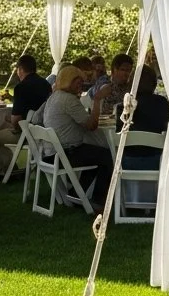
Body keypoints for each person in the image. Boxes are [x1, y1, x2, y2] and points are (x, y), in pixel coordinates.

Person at [40, 65, 115, 207]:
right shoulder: (69, 100)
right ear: (68, 81)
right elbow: (91, 126)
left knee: (95, 154)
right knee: (107, 156)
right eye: (78, 82)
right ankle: (99, 200)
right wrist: (97, 99)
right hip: (63, 153)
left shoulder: (55, 96)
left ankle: (76, 194)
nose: (81, 85)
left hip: (50, 153)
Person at [114, 69, 169, 170]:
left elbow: (118, 134)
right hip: (158, 161)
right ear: (154, 84)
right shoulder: (162, 103)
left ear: (132, 83)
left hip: (128, 162)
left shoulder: (124, 106)